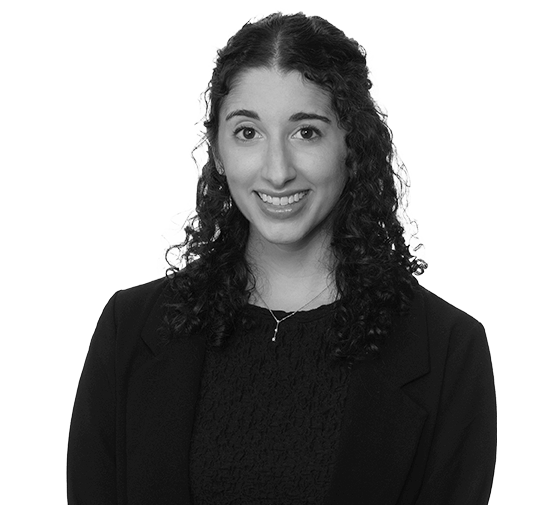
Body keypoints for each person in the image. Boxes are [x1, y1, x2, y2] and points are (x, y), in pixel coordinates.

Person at [67, 11, 496, 505]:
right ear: (218, 151)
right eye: (247, 132)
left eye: (306, 132)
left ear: (352, 145)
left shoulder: (448, 349)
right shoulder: (128, 328)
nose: (276, 172)